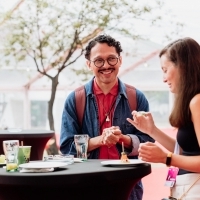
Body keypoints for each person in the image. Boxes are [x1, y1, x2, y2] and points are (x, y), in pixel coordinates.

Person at [60, 34, 154, 200]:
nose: (106, 65)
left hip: (127, 187)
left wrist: (123, 138)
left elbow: (149, 143)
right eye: (98, 61)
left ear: (120, 60)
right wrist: (101, 139)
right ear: (89, 64)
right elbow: (67, 147)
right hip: (86, 186)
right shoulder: (76, 99)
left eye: (111, 59)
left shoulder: (136, 98)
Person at [127, 37, 200, 200]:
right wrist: (152, 130)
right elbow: (187, 152)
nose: (163, 78)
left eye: (165, 70)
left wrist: (166, 158)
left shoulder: (197, 101)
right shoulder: (192, 101)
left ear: (183, 67)